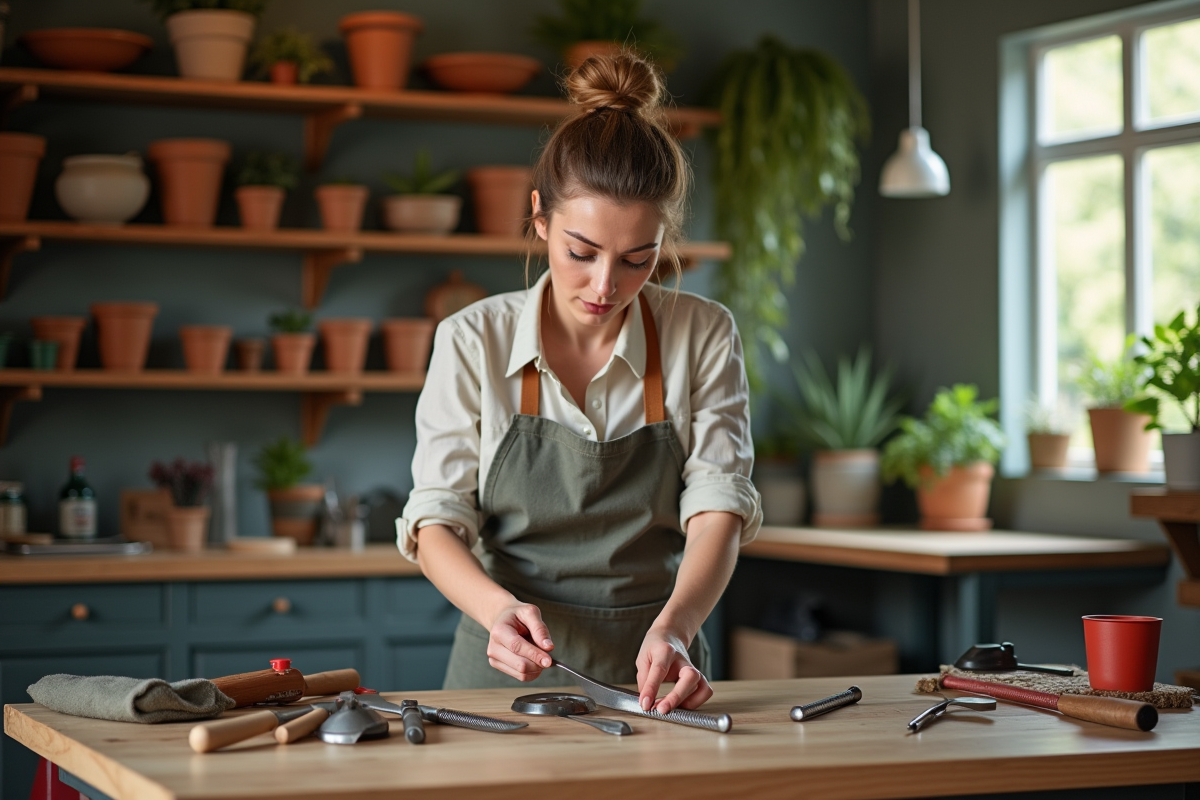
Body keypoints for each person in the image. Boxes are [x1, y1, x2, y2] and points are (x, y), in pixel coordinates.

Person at [397, 50, 761, 715]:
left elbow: (718, 508)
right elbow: (436, 520)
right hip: (502, 680)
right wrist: (498, 609)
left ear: (664, 241)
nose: (605, 286)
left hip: (658, 675)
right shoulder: (472, 339)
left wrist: (676, 628)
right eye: (580, 252)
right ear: (539, 218)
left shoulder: (703, 333)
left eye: (637, 259)